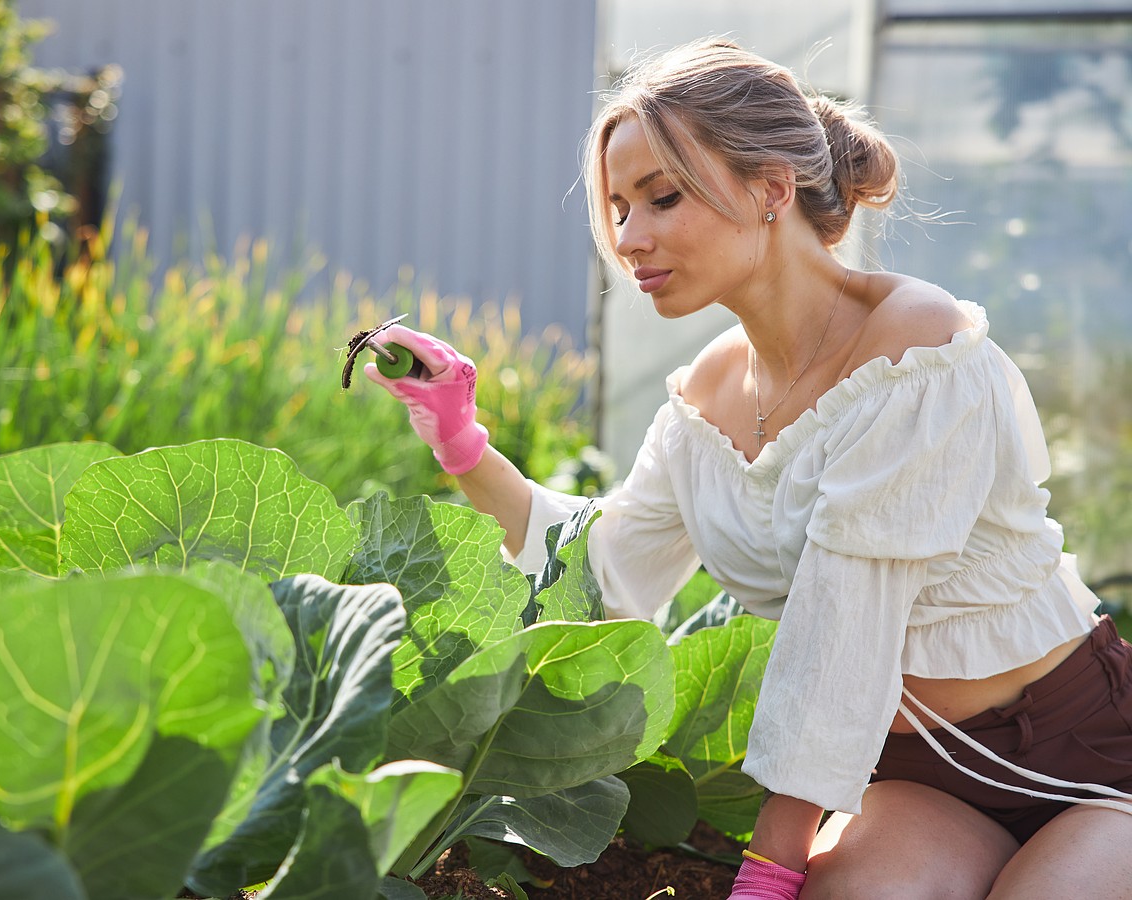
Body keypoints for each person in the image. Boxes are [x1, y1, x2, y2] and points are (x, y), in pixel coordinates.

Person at [364, 36, 1132, 900]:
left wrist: (770, 867)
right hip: (916, 772)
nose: (630, 237)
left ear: (771, 189)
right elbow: (607, 566)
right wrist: (461, 440)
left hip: (1087, 750)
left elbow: (845, 622)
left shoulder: (921, 352)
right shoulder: (707, 396)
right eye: (616, 207)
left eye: (661, 198)